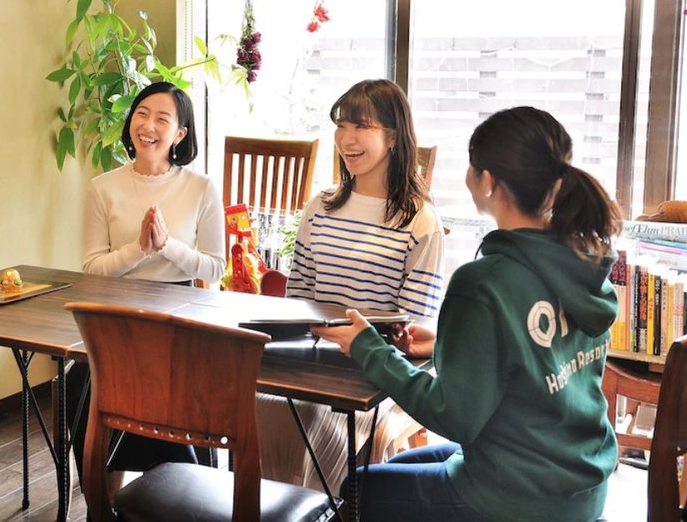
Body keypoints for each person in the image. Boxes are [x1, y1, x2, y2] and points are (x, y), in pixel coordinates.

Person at [313, 106, 620, 521]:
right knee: (392, 470)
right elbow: (537, 352)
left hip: (517, 494)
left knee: (358, 489)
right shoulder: (585, 259)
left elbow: (454, 417)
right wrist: (445, 344)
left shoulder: (484, 281)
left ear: (488, 181)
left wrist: (370, 349)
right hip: (581, 481)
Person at [258, 79, 445, 493]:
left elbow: (411, 326)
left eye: (361, 127)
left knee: (313, 419)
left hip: (379, 373)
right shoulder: (320, 207)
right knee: (258, 403)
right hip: (312, 359)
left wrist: (364, 344)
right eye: (341, 126)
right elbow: (299, 300)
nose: (346, 139)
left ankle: (315, 509)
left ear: (393, 136)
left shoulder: (419, 221)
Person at [69, 80, 226, 485]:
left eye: (162, 118)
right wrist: (139, 249)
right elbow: (91, 269)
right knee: (82, 385)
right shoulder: (102, 187)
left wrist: (166, 245)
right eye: (141, 113)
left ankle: (182, 494)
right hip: (116, 315)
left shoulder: (201, 188)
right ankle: (102, 508)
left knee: (169, 387)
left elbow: (213, 269)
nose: (148, 125)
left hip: (181, 317)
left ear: (180, 134)